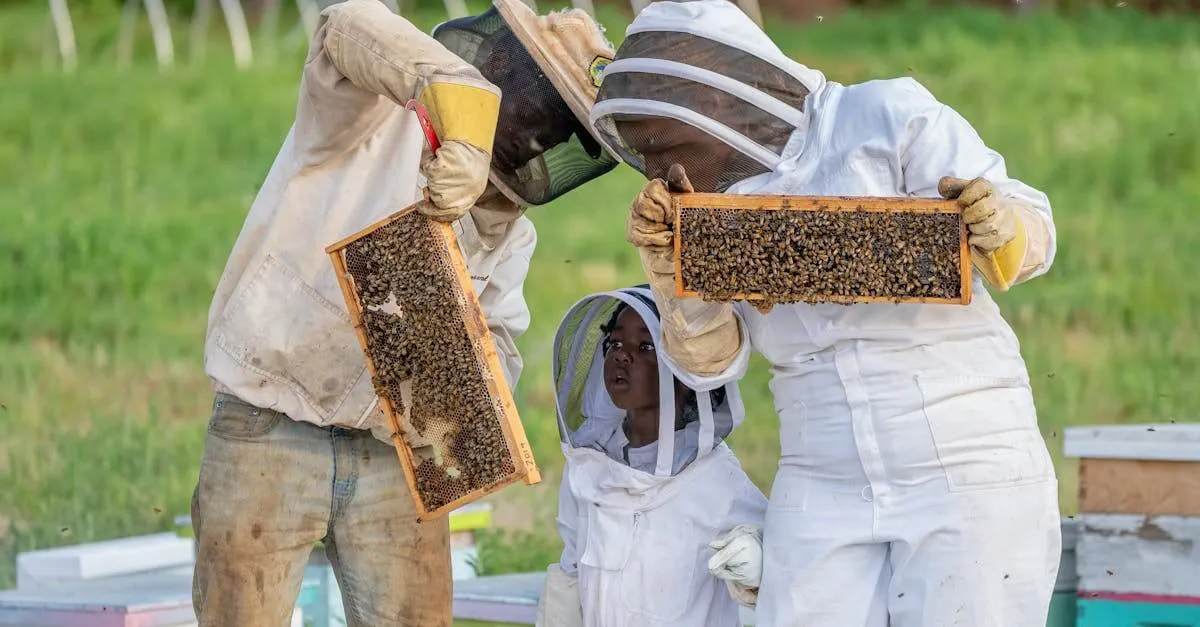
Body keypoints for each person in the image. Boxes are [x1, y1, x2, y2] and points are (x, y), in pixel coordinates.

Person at [588, 1, 1063, 626]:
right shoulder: (714, 203)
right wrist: (675, 281)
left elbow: (1036, 232)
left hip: (961, 442)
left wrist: (1001, 228)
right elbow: (711, 364)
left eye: (672, 135)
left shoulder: (883, 114)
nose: (667, 160)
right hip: (820, 466)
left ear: (723, 90)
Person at [191, 0, 619, 624]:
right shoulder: (369, 114)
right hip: (270, 424)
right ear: (503, 67)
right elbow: (344, 21)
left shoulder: (509, 235)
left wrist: (467, 376)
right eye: (542, 106)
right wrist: (465, 121)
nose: (541, 134)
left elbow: (499, 343)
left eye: (560, 128)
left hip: (396, 464)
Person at [535, 285, 768, 627]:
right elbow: (572, 570)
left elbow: (785, 569)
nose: (621, 356)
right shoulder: (590, 468)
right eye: (614, 343)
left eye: (645, 347)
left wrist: (758, 564)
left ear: (685, 374)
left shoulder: (716, 481)